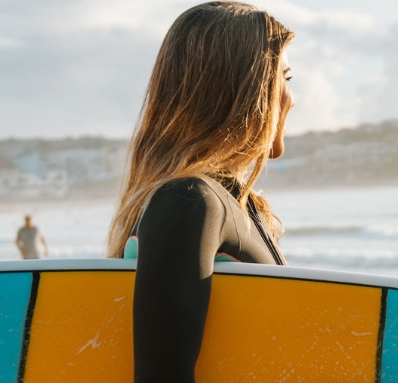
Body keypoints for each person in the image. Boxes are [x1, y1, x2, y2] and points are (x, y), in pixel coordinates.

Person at [104, 2, 292, 381]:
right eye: (285, 78)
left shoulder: (235, 204)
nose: (291, 98)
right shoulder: (191, 202)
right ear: (247, 90)